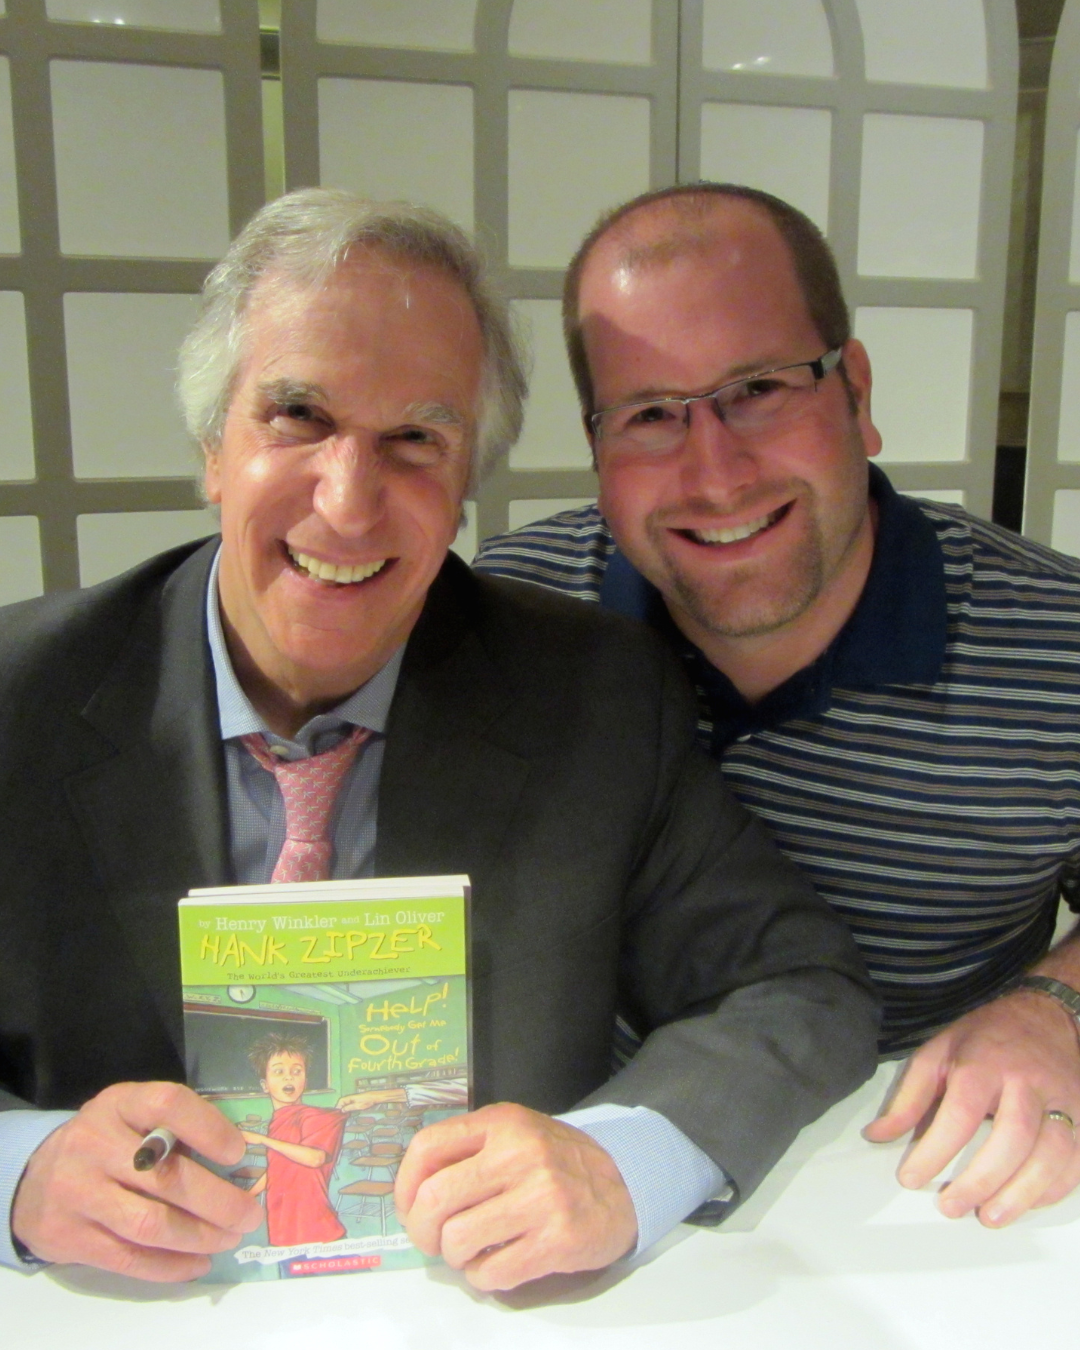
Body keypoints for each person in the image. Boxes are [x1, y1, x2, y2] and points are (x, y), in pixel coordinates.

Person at [0, 189, 878, 1291]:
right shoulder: (21, 702)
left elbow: (797, 983)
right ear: (214, 445)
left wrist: (627, 1159)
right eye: (297, 415)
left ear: (468, 483)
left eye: (417, 438)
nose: (348, 502)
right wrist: (21, 1172)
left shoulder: (591, 694)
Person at [475, 181, 1080, 1231]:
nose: (716, 474)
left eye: (757, 389)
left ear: (856, 391)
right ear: (596, 446)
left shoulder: (1057, 641)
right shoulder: (514, 619)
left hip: (920, 1189)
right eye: (651, 414)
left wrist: (1055, 1008)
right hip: (571, 1186)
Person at [242, 1036, 347, 1247]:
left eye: (296, 1071)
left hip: (320, 1231)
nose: (288, 1077)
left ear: (305, 1081)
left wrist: (262, 1139)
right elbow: (278, 1167)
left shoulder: (317, 1117)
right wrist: (248, 1195)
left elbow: (315, 1157)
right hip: (282, 1230)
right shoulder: (276, 1121)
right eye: (279, 1072)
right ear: (264, 1085)